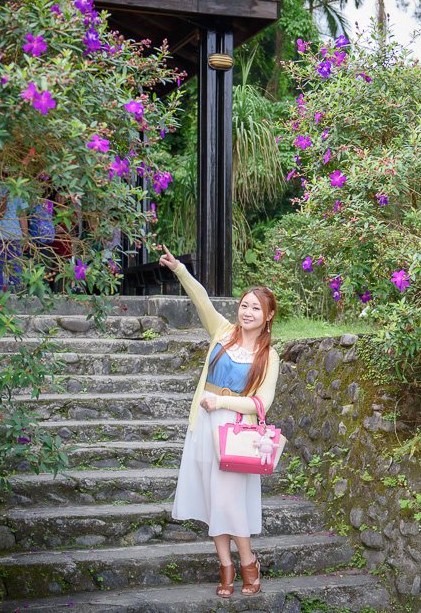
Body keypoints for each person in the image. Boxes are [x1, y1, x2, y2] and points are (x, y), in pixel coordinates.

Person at [157, 244, 279, 599]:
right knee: (213, 501)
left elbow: (261, 403)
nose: (248, 312)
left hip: (235, 431)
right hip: (203, 427)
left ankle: (248, 563)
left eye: (256, 308)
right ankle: (225, 567)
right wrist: (179, 269)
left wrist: (221, 401)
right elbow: (201, 299)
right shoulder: (223, 332)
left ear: (269, 315)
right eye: (244, 305)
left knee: (228, 502)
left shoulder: (268, 355)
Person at [0, 186, 28, 292]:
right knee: (15, 269)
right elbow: (22, 216)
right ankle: (17, 295)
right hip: (14, 235)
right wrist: (25, 236)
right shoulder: (19, 190)